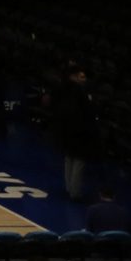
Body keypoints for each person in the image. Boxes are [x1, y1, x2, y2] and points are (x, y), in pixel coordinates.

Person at [50, 65, 99, 201]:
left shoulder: (62, 88)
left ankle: (69, 187)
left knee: (69, 159)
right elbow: (86, 111)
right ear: (74, 76)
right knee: (78, 161)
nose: (83, 79)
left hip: (65, 130)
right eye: (81, 76)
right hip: (78, 131)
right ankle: (75, 192)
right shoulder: (79, 92)